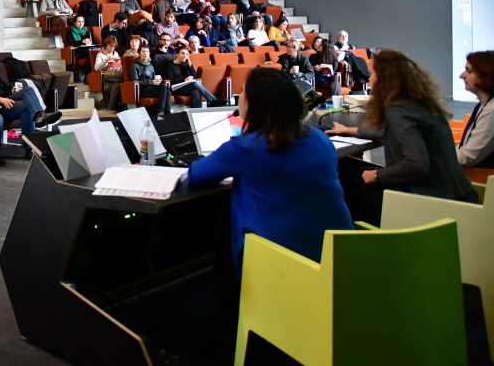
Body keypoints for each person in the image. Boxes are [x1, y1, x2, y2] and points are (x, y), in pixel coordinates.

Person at [188, 66, 353, 279]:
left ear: (253, 103)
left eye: (243, 92)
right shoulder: (319, 138)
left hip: (280, 266)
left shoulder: (247, 146)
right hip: (339, 258)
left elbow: (197, 175)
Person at [327, 49, 477, 223]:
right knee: (352, 168)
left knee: (346, 182)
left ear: (385, 79)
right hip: (455, 193)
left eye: (373, 74)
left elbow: (416, 164)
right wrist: (347, 130)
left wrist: (377, 175)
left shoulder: (398, 111)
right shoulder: (418, 104)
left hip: (429, 200)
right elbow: (388, 131)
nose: (369, 80)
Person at [457, 51, 494, 167]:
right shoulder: (482, 106)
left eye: (469, 71)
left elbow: (467, 158)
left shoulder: (491, 110)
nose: (462, 75)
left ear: (485, 76)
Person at [129, 45, 171, 116]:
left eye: (147, 51)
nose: (145, 53)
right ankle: (162, 112)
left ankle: (166, 112)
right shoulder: (135, 65)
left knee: (166, 89)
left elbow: (153, 78)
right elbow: (135, 82)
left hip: (151, 88)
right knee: (164, 89)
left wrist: (157, 79)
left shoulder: (150, 65)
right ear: (139, 53)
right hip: (142, 90)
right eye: (143, 51)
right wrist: (151, 82)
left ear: (149, 53)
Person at [94, 36, 123, 110]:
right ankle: (113, 106)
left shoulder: (115, 53)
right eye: (110, 46)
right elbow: (96, 68)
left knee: (116, 84)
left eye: (114, 46)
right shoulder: (100, 55)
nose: (112, 48)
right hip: (106, 75)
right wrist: (106, 60)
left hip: (115, 74)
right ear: (106, 45)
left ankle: (112, 107)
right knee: (119, 80)